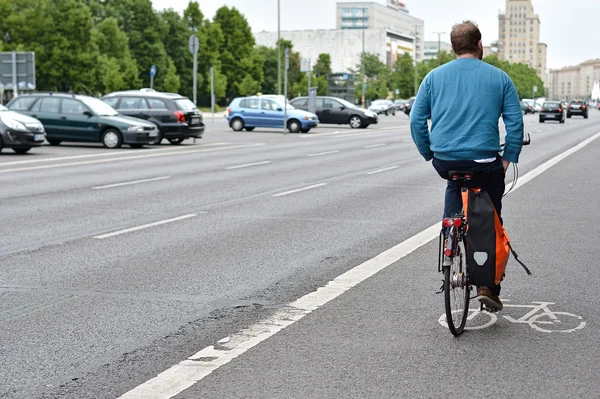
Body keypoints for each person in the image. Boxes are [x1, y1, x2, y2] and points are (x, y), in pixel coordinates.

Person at [410, 20, 523, 311]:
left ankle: (450, 234)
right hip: (486, 163)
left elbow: (416, 121)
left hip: (446, 161)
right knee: (491, 220)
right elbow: (515, 124)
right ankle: (488, 285)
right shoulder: (499, 78)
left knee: (454, 186)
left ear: (453, 47)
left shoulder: (434, 77)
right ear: (479, 45)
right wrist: (507, 159)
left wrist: (429, 153)